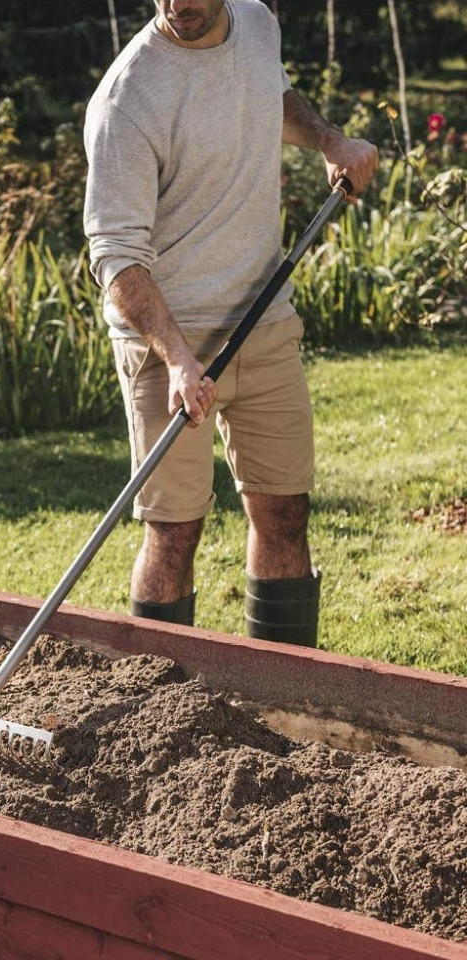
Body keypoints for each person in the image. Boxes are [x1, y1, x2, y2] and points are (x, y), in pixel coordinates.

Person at [83, 0, 379, 645]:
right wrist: (178, 359)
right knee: (174, 528)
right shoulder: (128, 97)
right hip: (171, 337)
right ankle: (164, 712)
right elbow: (115, 257)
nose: (177, 5)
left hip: (263, 316)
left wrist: (330, 141)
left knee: (283, 512)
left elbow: (270, 94)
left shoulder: (257, 22)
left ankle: (281, 690)